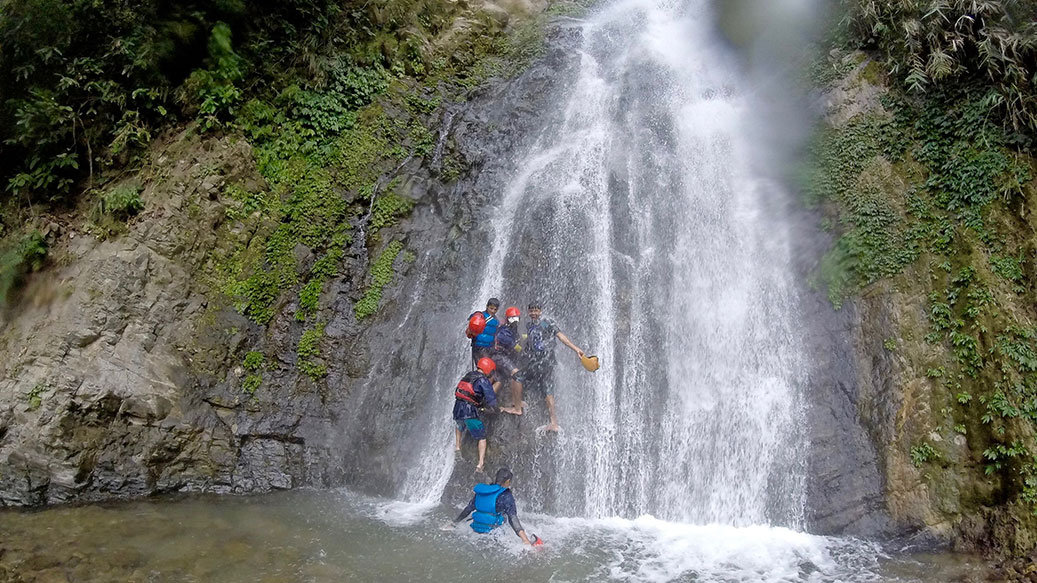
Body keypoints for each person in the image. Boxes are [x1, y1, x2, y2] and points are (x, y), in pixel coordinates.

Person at [524, 301, 584, 432]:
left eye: (536, 310)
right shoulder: (529, 325)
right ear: (528, 312)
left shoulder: (546, 322)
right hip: (535, 362)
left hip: (546, 361)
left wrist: (575, 349)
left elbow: (560, 336)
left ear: (540, 311)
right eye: (531, 311)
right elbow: (530, 342)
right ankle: (521, 405)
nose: (534, 313)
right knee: (519, 377)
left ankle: (554, 422)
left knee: (547, 389)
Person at [449, 467, 538, 546]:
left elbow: (468, 509)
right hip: (494, 534)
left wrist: (454, 522)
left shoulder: (482, 492)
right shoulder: (505, 495)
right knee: (505, 516)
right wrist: (525, 540)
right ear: (507, 481)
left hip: (475, 531)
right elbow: (512, 518)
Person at [453, 357, 500, 472]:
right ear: (488, 370)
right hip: (469, 411)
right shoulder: (482, 380)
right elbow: (490, 397)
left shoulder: (468, 375)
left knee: (459, 426)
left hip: (457, 408)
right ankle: (480, 464)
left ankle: (457, 447)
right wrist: (495, 408)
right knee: (482, 437)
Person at [493, 306, 525, 415]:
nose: (515, 321)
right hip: (499, 356)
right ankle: (517, 408)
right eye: (513, 318)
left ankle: (516, 401)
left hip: (505, 356)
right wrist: (526, 352)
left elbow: (517, 338)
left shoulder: (512, 327)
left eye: (517, 318)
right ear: (508, 319)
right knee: (516, 374)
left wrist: (526, 337)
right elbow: (515, 346)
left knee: (505, 378)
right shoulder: (503, 331)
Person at [468, 298, 501, 366]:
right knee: (484, 367)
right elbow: (472, 320)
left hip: (490, 348)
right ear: (487, 306)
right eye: (491, 308)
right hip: (479, 347)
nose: (493, 311)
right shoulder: (481, 316)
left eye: (495, 309)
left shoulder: (496, 321)